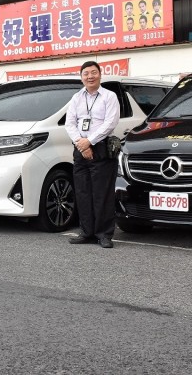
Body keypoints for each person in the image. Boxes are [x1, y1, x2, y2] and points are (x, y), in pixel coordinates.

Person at [64, 61, 120, 248]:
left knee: (102, 193)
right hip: (80, 149)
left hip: (101, 148)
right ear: (81, 77)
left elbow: (110, 123)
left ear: (100, 75)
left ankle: (104, 234)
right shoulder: (76, 98)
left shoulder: (109, 96)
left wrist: (90, 141)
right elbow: (69, 123)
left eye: (93, 73)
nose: (90, 76)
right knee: (83, 191)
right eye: (86, 73)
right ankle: (86, 231)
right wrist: (81, 143)